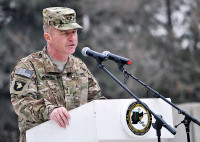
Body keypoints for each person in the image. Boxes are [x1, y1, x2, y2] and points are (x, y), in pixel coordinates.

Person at [10, 7, 105, 142]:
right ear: (48, 37)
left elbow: (96, 103)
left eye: (74, 32)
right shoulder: (28, 67)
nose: (72, 38)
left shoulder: (80, 67)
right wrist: (49, 111)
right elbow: (21, 102)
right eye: (65, 33)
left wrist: (109, 110)